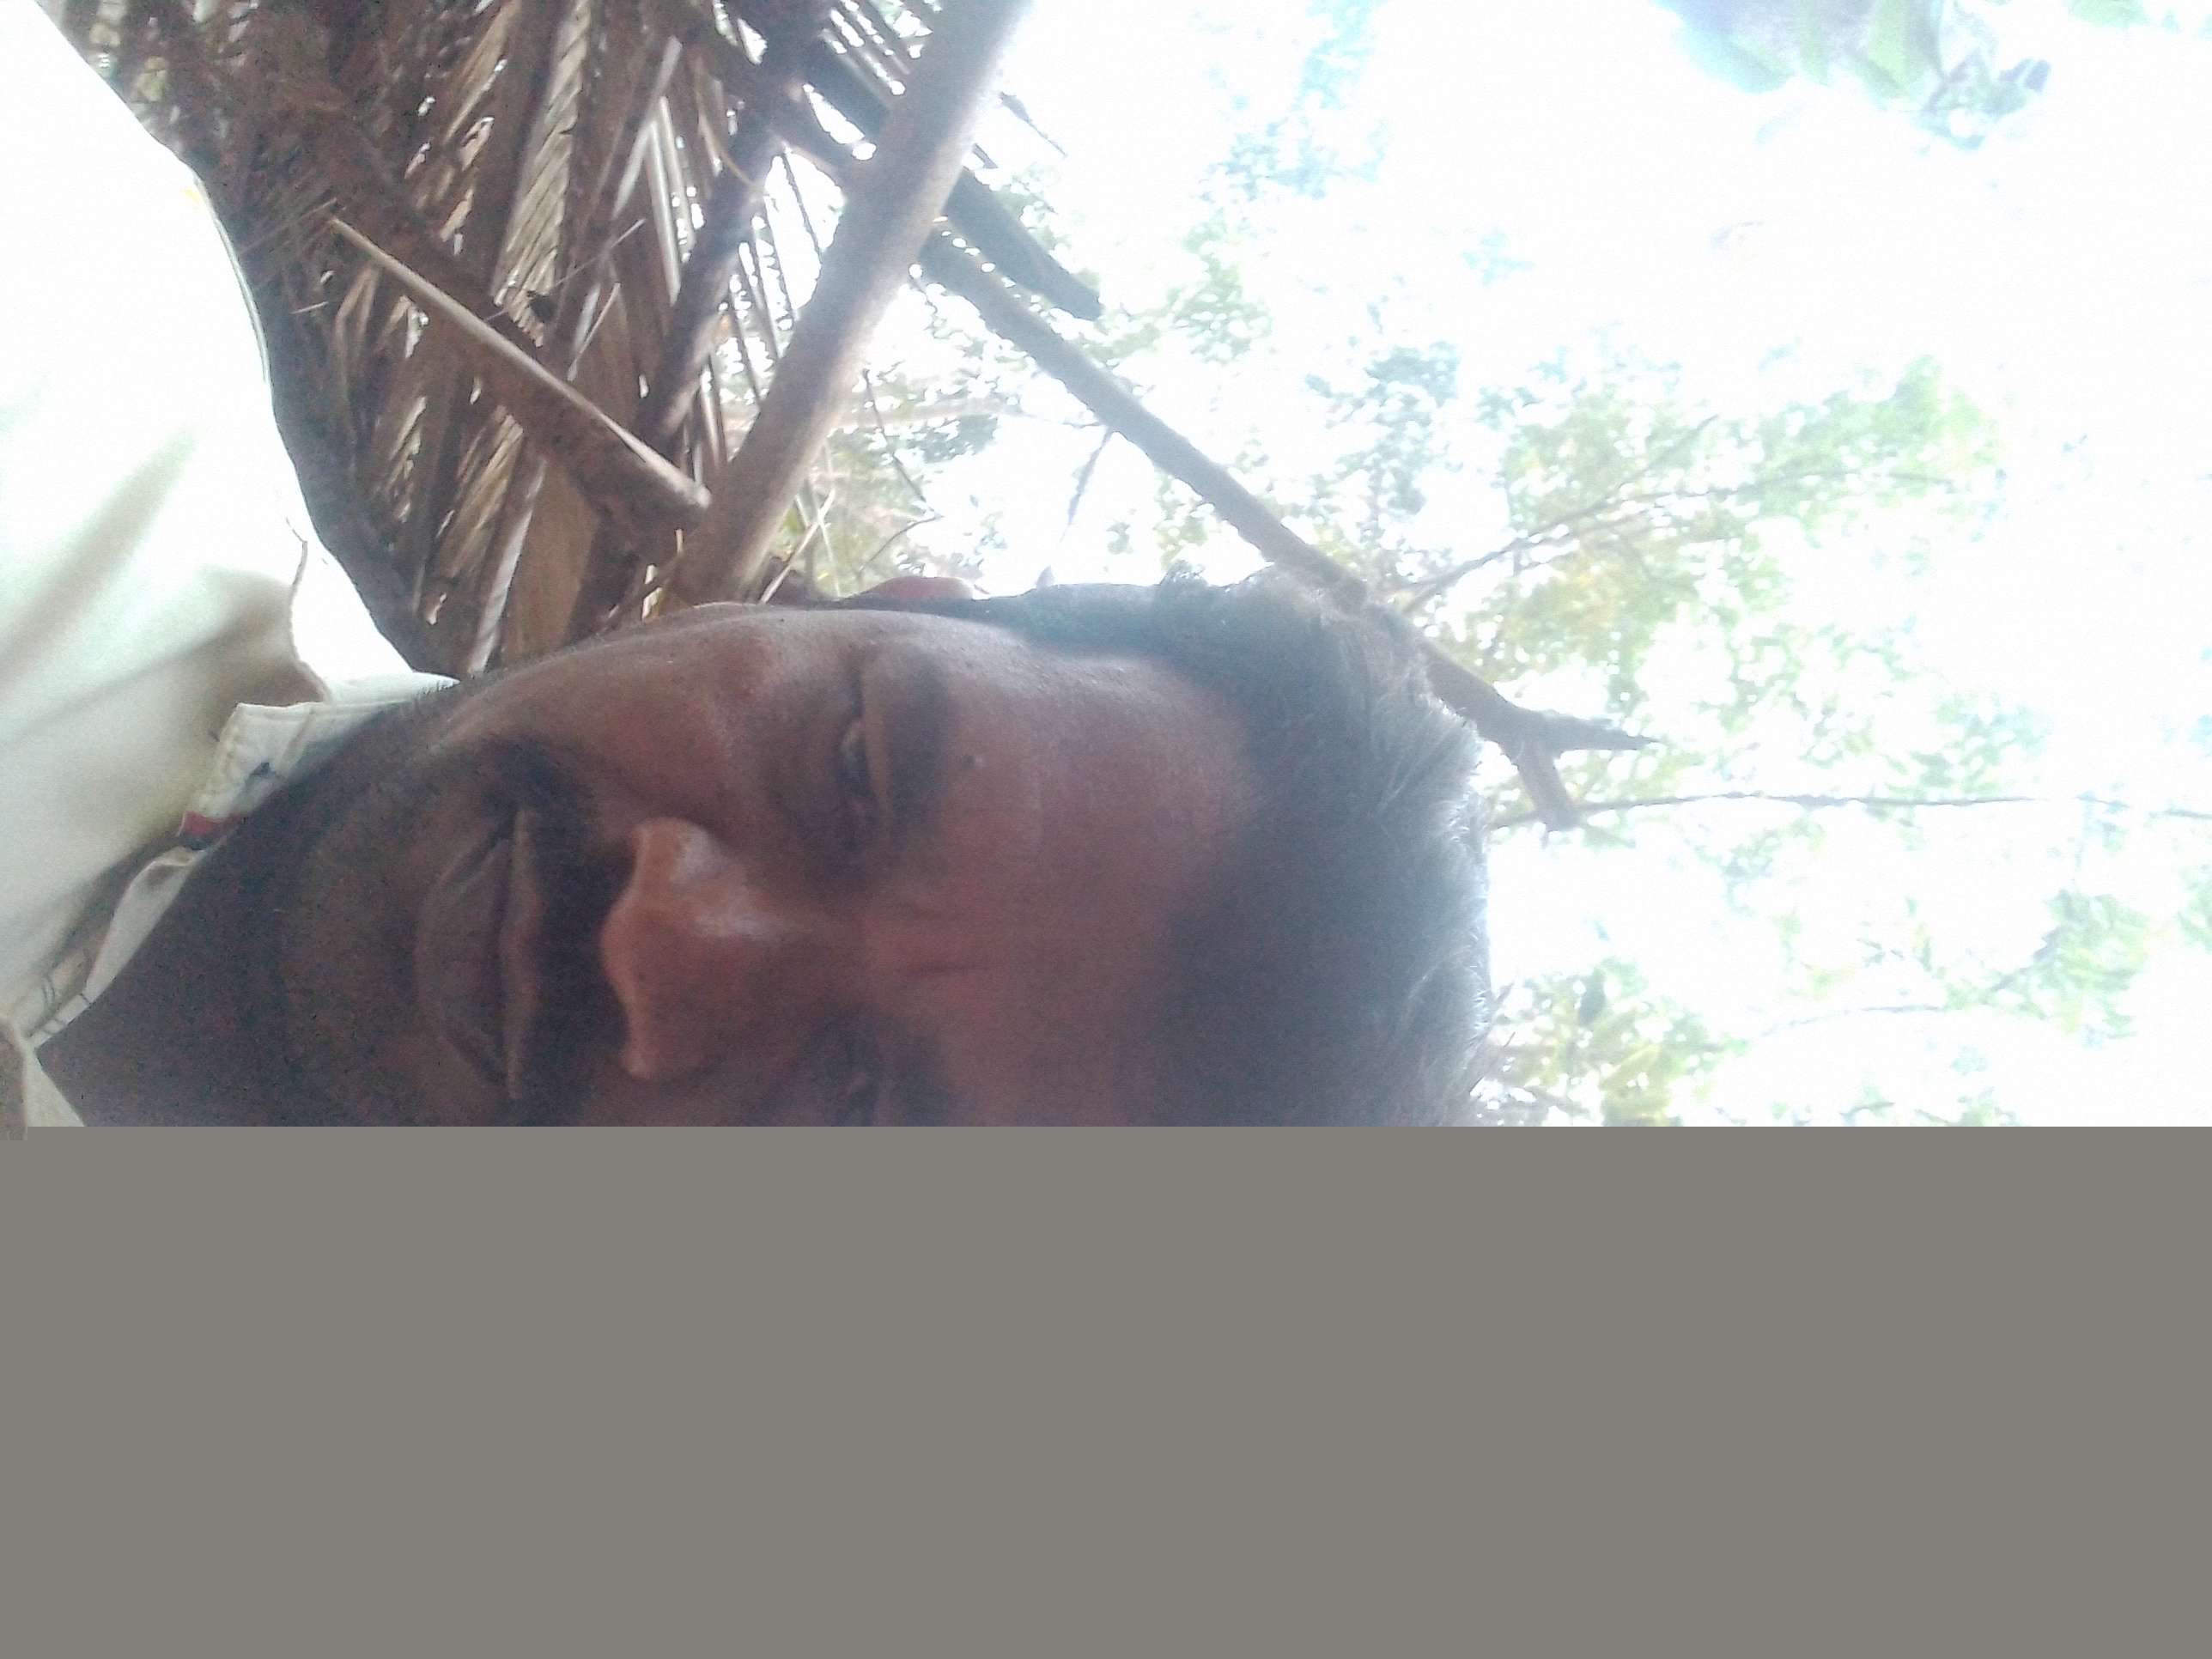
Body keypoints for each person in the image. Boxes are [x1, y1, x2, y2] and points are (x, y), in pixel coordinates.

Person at [0, 2, 1490, 1128]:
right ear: (848, 607)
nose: (661, 941)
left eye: (855, 1113)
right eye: (852, 769)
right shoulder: (58, 323)